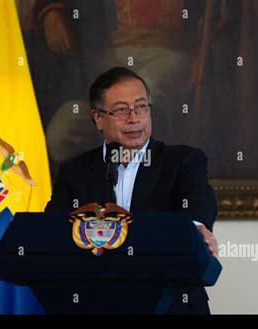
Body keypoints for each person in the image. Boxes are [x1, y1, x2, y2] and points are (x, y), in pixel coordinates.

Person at [45, 67, 218, 314]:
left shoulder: (183, 161)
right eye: (121, 110)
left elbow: (198, 201)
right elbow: (54, 230)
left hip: (171, 306)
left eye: (141, 107)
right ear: (97, 118)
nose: (134, 118)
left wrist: (197, 227)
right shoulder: (75, 171)